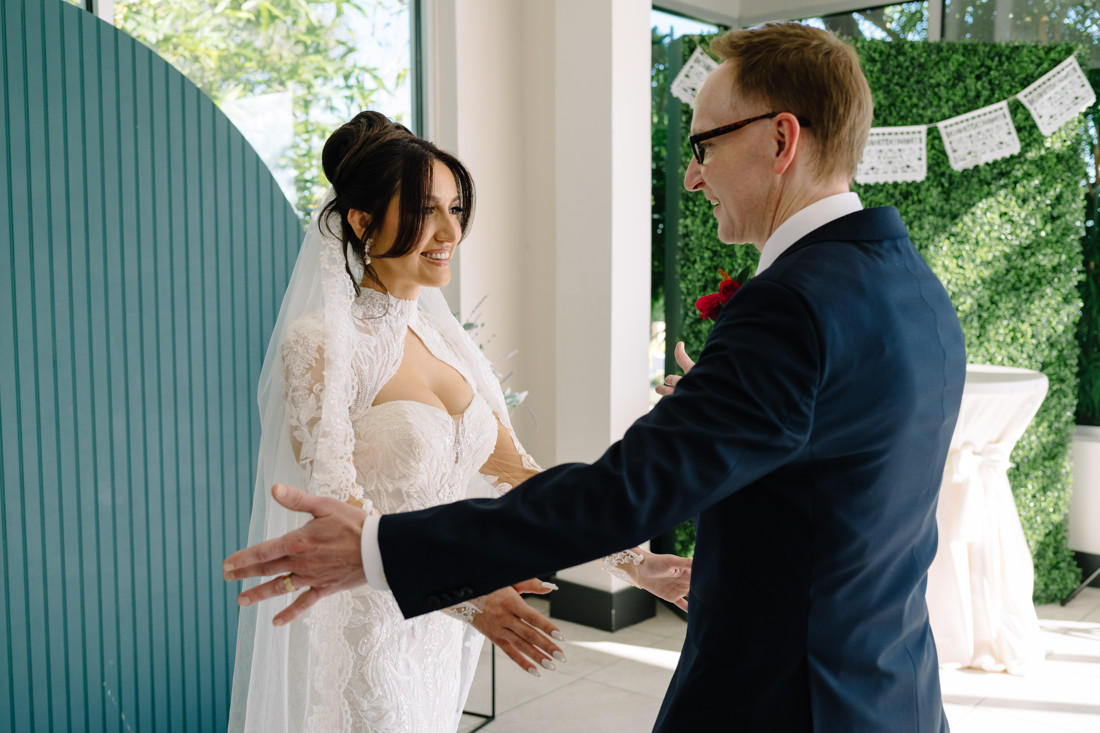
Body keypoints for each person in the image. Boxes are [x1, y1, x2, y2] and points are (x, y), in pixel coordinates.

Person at [225, 24, 966, 732]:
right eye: (425, 212)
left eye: (705, 142)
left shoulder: (793, 307)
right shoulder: (913, 286)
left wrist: (385, 550)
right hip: (886, 693)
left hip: (788, 704)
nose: (693, 172)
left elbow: (605, 483)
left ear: (781, 139)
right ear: (360, 223)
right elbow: (835, 485)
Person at [227, 111, 690, 733]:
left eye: (456, 207)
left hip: (441, 635)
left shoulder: (448, 344)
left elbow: (518, 473)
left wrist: (635, 564)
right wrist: (470, 597)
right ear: (362, 221)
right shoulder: (322, 345)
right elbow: (340, 507)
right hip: (371, 629)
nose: (451, 230)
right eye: (426, 210)